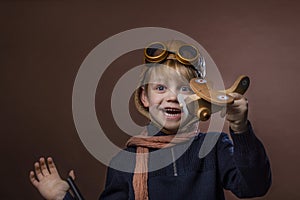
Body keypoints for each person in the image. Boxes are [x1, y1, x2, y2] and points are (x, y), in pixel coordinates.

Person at [29, 40, 272, 200]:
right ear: (144, 97)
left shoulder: (215, 147)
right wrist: (63, 196)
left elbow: (255, 186)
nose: (172, 98)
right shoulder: (125, 161)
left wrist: (240, 129)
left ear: (201, 97)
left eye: (185, 89)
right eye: (160, 88)